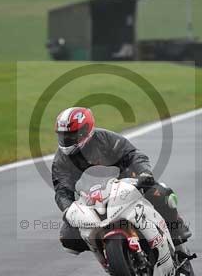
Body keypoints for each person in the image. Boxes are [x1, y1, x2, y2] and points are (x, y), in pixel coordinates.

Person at [52, 106, 191, 255]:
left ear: (86, 131)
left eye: (71, 135)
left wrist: (144, 173)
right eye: (63, 136)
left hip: (125, 185)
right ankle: (107, 257)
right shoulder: (61, 160)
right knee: (67, 237)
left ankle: (177, 235)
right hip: (92, 199)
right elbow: (62, 189)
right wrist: (68, 209)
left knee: (160, 193)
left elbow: (133, 155)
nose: (66, 140)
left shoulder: (105, 139)